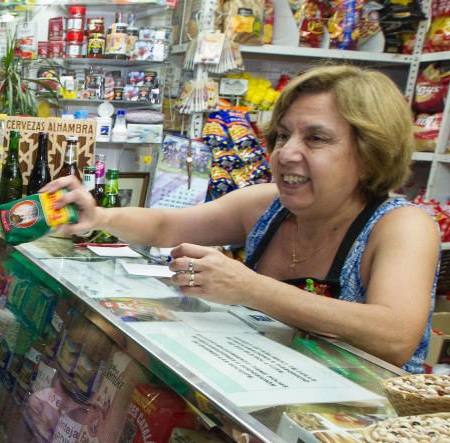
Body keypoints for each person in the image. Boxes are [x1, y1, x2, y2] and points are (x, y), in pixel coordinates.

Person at [45, 65, 439, 373]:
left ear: (370, 154)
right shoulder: (265, 205)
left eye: (315, 139)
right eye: (283, 136)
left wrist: (250, 289)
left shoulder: (401, 225)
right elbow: (166, 226)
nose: (286, 154)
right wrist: (99, 214)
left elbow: (396, 336)